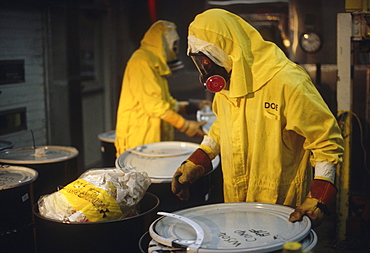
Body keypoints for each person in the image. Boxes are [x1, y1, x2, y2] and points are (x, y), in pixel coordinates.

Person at [171, 9, 344, 227]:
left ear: (227, 49)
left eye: (207, 60)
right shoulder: (228, 84)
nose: (206, 70)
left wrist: (319, 195)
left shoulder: (286, 81)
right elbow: (221, 126)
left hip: (282, 209)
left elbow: (326, 139)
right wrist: (200, 157)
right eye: (200, 62)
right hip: (235, 204)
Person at [114, 20, 209, 156]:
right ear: (163, 43)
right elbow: (154, 105)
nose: (175, 49)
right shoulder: (142, 62)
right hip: (140, 139)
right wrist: (185, 125)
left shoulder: (154, 63)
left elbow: (166, 102)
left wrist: (192, 106)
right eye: (174, 45)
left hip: (151, 138)